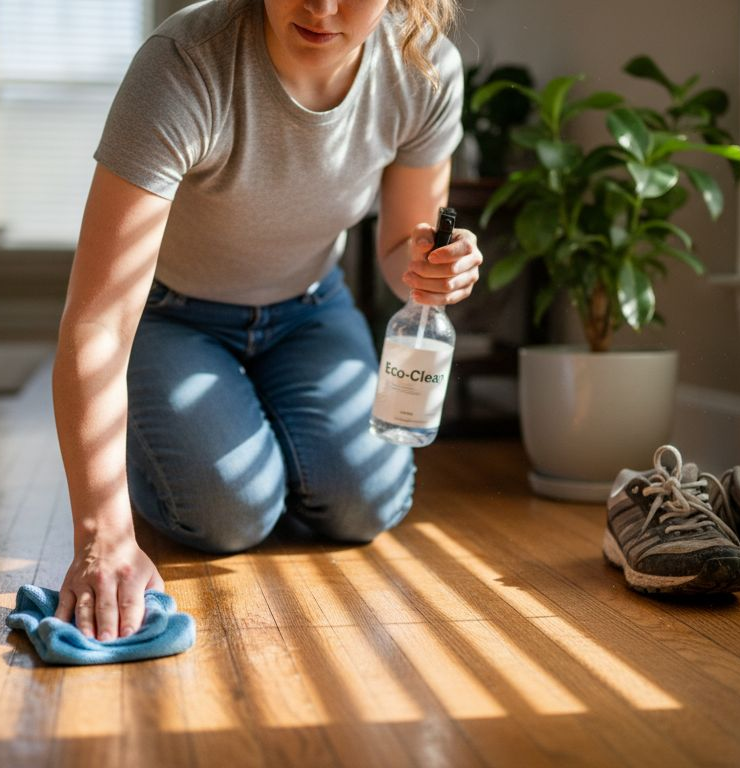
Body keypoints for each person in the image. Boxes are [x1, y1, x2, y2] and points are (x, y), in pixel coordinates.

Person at [51, 0, 481, 642]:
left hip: (310, 310)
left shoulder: (424, 69)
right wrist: (102, 532)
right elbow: (99, 324)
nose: (321, 7)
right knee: (228, 516)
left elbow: (399, 254)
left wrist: (431, 271)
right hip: (174, 317)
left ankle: (251, 436)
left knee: (366, 503)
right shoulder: (184, 66)